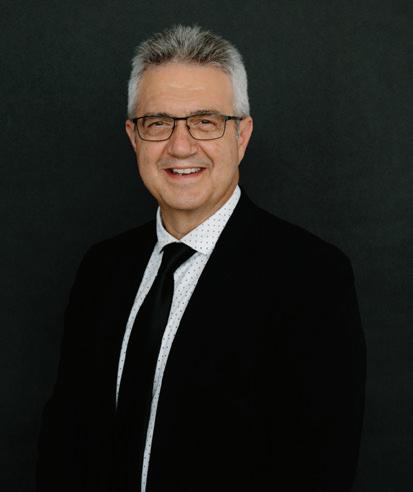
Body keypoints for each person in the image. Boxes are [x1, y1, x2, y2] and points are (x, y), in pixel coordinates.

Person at [36, 25, 366, 492]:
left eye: (205, 121)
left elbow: (318, 469)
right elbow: (65, 442)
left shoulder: (311, 277)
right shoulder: (102, 268)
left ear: (242, 135)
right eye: (158, 123)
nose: (180, 146)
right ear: (133, 137)